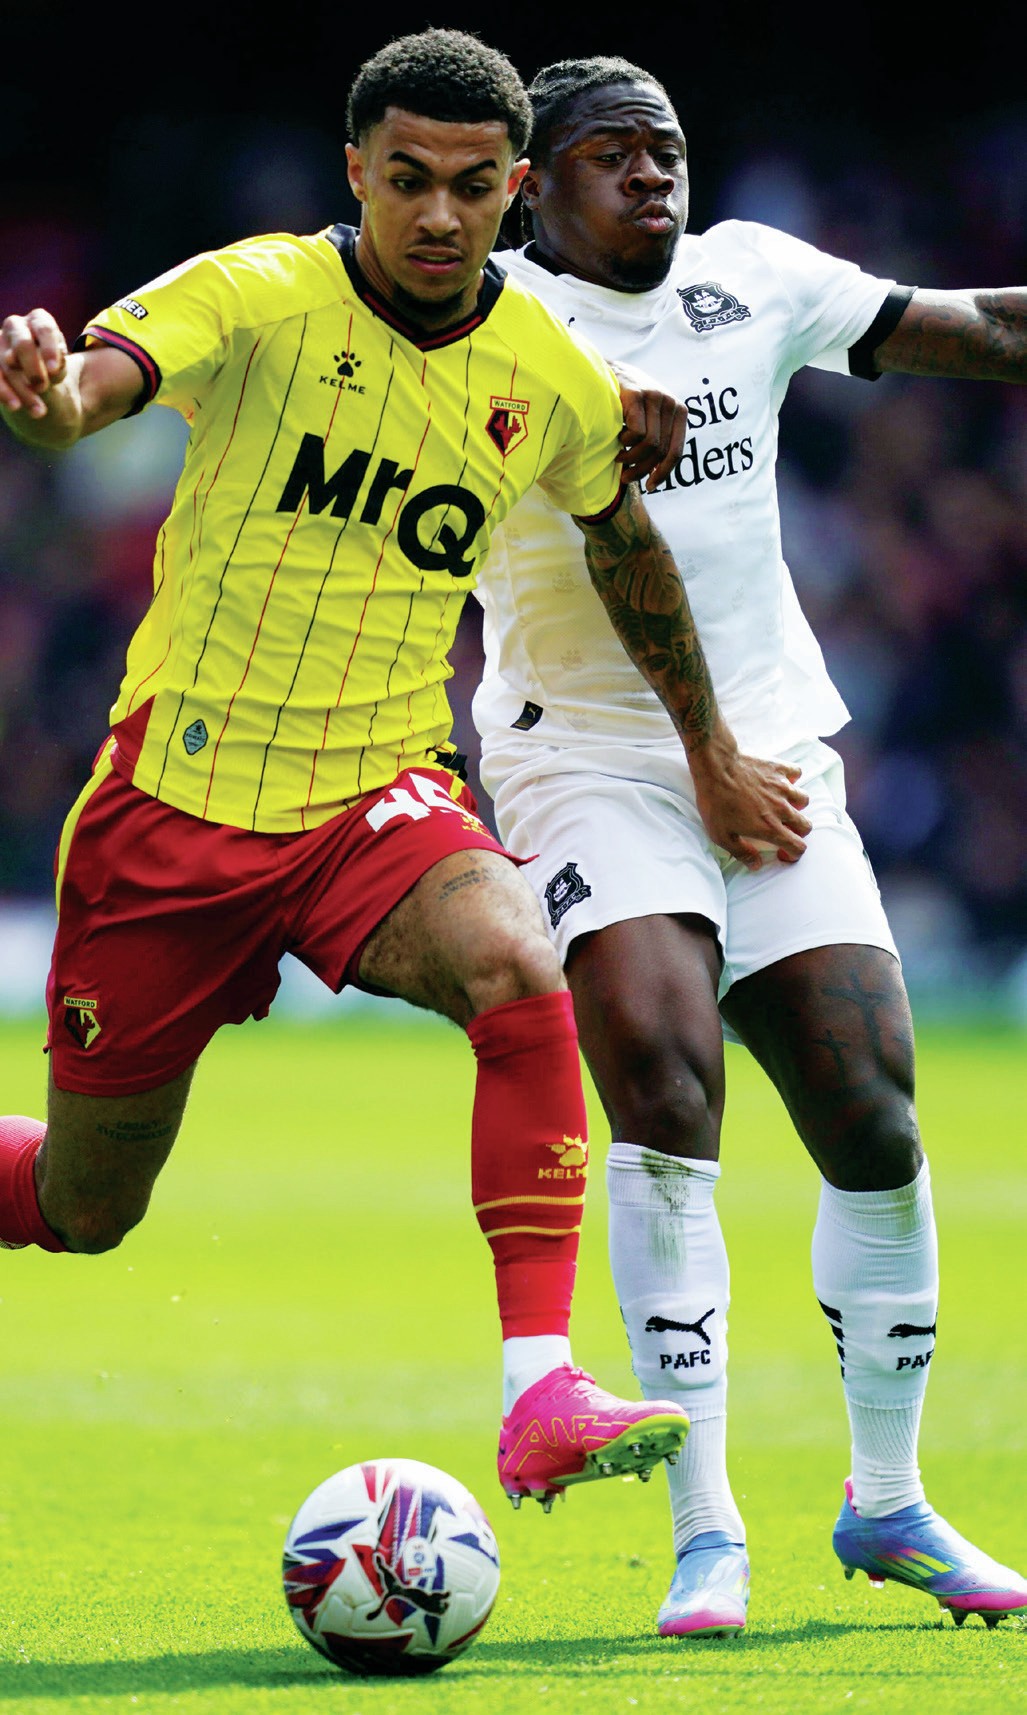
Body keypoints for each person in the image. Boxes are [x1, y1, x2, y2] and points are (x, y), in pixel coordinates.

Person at [0, 30, 814, 1518]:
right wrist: (47, 398)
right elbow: (97, 389)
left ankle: (538, 1390)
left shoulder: (545, 371)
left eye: (471, 186)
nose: (438, 215)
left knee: (518, 962)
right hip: (175, 812)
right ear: (356, 174)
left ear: (514, 189)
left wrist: (708, 751)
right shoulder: (258, 290)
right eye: (407, 180)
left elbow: (625, 542)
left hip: (374, 792)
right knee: (86, 1205)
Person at [472, 54, 1027, 1625]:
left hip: (772, 754)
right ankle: (706, 1527)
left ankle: (890, 1502)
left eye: (667, 149)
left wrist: (732, 758)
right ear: (534, 187)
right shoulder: (495, 320)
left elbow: (981, 328)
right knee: (664, 1082)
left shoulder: (754, 280)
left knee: (874, 1113)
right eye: (612, 154)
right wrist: (700, 760)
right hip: (589, 762)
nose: (654, 174)